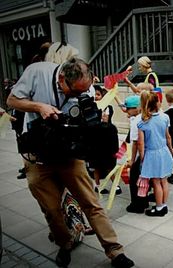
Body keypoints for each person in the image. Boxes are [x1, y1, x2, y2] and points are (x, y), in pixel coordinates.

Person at [6, 58, 134, 268]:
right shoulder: (37, 72)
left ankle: (114, 250)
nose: (78, 96)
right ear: (62, 79)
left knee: (91, 202)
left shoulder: (85, 89)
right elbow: (12, 100)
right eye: (74, 92)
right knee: (51, 208)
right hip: (39, 154)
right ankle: (64, 244)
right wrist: (39, 107)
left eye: (83, 91)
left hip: (69, 153)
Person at [137, 91, 173, 216]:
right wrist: (171, 149)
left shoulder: (142, 123)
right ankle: (164, 205)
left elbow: (141, 144)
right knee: (164, 180)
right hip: (164, 151)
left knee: (156, 182)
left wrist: (142, 158)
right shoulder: (165, 117)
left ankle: (159, 208)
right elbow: (168, 136)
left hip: (152, 155)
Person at [91, 85, 121, 194]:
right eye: (94, 94)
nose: (96, 96)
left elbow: (106, 121)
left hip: (107, 138)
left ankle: (115, 185)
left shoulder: (108, 108)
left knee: (110, 164)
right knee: (96, 164)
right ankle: (98, 185)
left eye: (98, 94)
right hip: (96, 138)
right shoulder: (91, 109)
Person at [124, 95, 150, 214]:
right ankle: (144, 201)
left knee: (135, 178)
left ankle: (137, 204)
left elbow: (136, 143)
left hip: (143, 154)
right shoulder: (150, 116)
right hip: (152, 153)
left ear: (136, 108)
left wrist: (132, 160)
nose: (126, 110)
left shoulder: (136, 121)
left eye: (128, 108)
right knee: (145, 179)